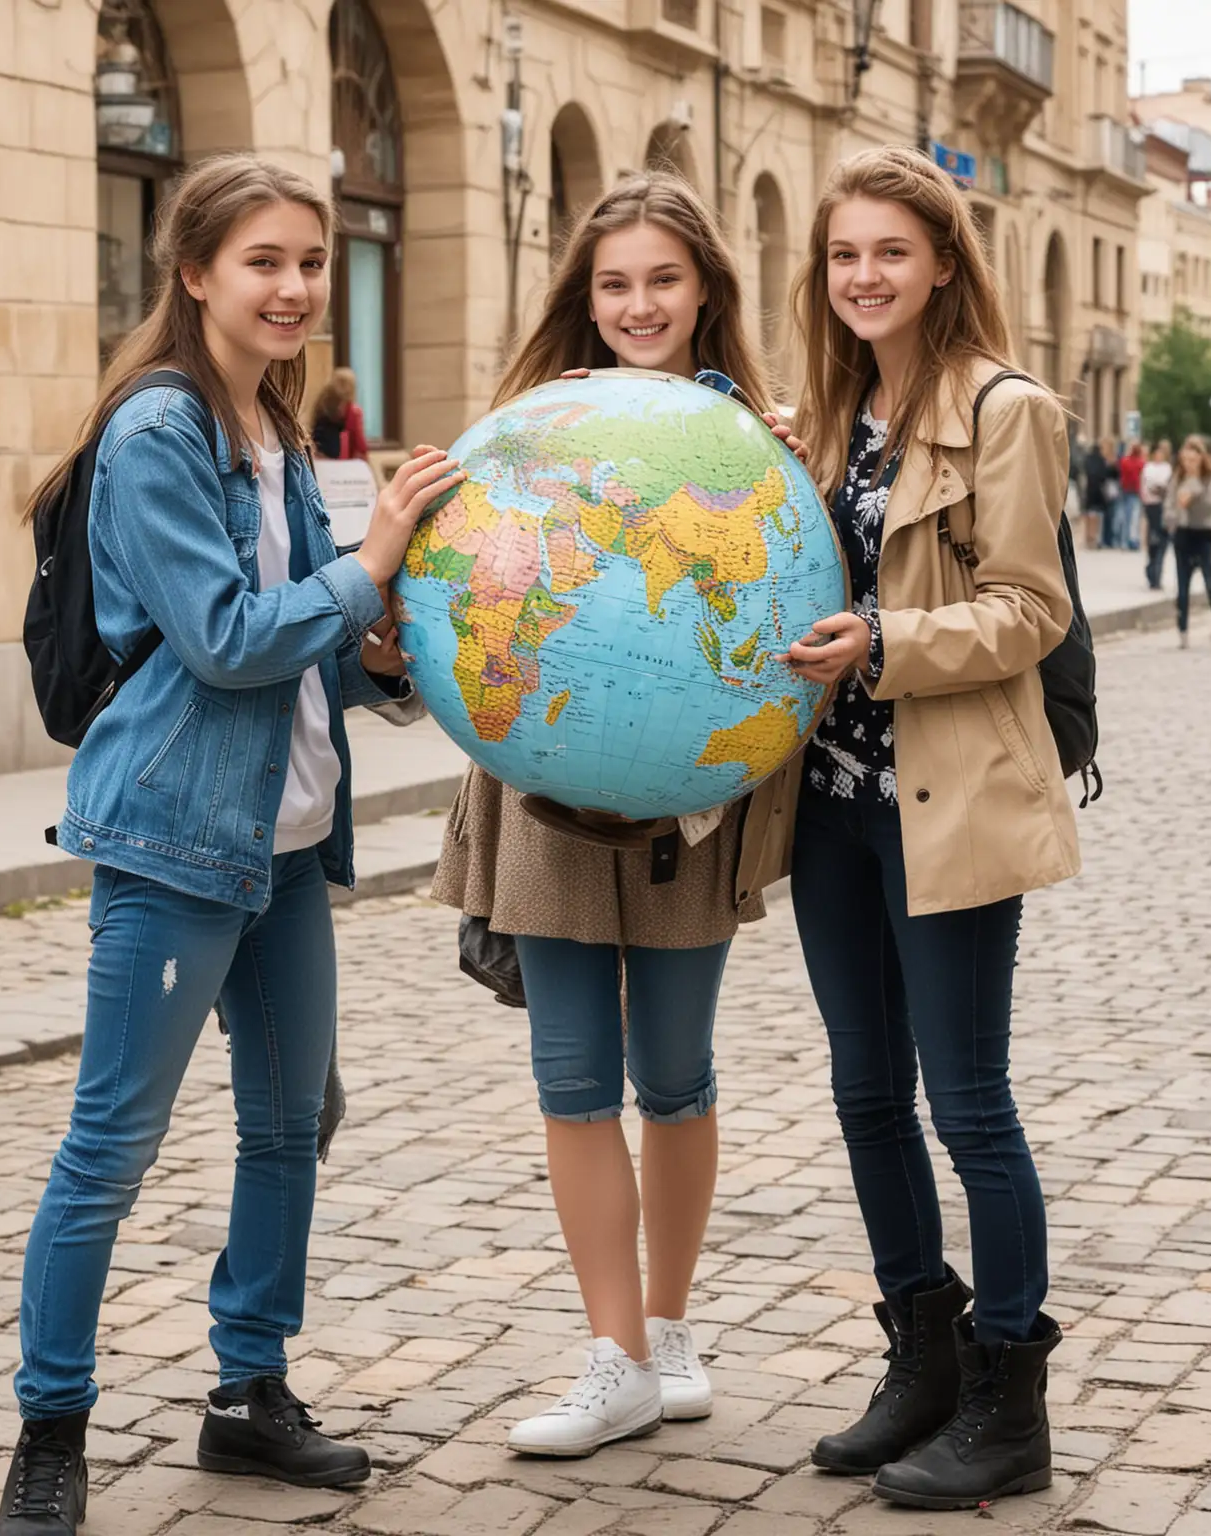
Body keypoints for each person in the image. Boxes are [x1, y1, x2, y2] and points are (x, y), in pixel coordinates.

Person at [0, 154, 462, 1536]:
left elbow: (305, 642)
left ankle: (249, 1392)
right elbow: (223, 640)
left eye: (311, 264)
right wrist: (366, 560)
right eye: (265, 262)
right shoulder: (157, 432)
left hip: (288, 843)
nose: (297, 288)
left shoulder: (274, 423)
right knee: (110, 1147)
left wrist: (383, 650)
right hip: (173, 838)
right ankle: (50, 1428)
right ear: (193, 272)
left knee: (287, 1126)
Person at [430, 172, 805, 1459]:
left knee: (676, 1076)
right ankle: (616, 1355)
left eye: (662, 279)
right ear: (583, 300)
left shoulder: (760, 447)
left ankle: (671, 1324)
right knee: (572, 1079)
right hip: (542, 792)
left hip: (690, 800)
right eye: (614, 283)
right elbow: (464, 592)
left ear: (706, 290)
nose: (639, 304)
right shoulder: (528, 433)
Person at [781, 145, 1078, 1511]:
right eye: (845, 254)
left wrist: (886, 640)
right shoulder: (834, 418)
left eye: (891, 253)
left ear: (946, 264)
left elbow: (1031, 607)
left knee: (969, 1104)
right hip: (833, 810)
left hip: (947, 799)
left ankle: (1012, 1394)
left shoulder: (1007, 411)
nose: (865, 276)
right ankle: (923, 1353)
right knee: (861, 1091)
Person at [1163, 435, 1211, 648]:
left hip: (1205, 536)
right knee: (1182, 587)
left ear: (1202, 458)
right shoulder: (1177, 479)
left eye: (1193, 460)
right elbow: (1168, 509)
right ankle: (1183, 630)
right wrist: (1176, 514)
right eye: (1185, 460)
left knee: (1210, 582)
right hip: (1184, 535)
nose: (1189, 464)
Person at [310, 365, 370, 460]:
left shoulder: (320, 405)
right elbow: (360, 445)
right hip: (344, 463)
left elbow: (313, 431)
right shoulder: (352, 411)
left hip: (319, 458)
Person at [1140, 439, 1174, 591]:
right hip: (1152, 506)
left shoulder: (1168, 469)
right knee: (1154, 539)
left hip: (1164, 506)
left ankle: (1157, 574)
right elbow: (1144, 486)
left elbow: (1169, 487)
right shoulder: (1149, 468)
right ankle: (1152, 570)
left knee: (1162, 541)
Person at [1081, 438, 1116, 548]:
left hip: (1089, 490)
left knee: (1089, 515)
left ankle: (1088, 538)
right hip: (1099, 491)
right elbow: (1104, 475)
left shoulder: (1087, 459)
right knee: (1096, 516)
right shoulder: (1101, 460)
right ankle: (1095, 538)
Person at [1118, 439, 1146, 551]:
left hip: (1125, 490)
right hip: (1136, 491)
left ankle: (1123, 541)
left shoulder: (1124, 461)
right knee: (1135, 518)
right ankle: (1133, 540)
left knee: (1125, 517)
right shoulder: (1141, 463)